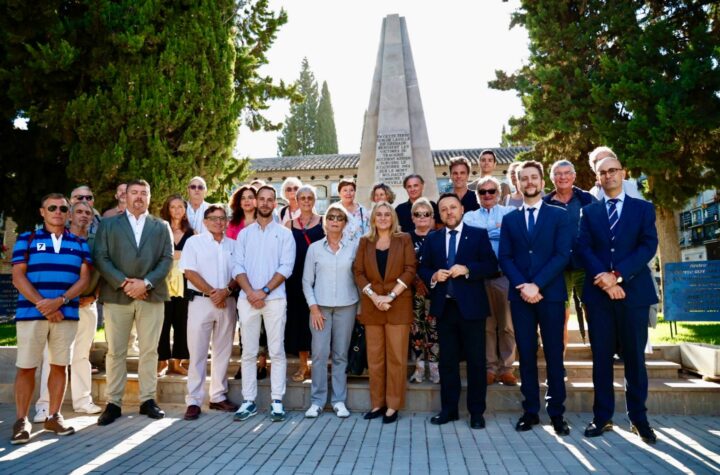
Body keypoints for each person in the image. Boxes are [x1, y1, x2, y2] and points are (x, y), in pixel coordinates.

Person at [578, 155, 659, 444]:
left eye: (613, 170)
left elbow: (648, 245)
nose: (609, 175)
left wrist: (618, 275)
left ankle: (639, 419)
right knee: (601, 359)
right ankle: (602, 417)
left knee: (635, 359)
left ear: (623, 173)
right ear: (597, 178)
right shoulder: (590, 212)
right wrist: (604, 277)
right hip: (599, 296)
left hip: (634, 294)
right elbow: (584, 248)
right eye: (603, 172)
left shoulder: (643, 209)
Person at [498, 161, 573, 435]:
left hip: (550, 294)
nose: (529, 182)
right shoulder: (510, 219)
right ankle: (530, 411)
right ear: (517, 184)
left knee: (554, 355)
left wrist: (537, 284)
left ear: (542, 182)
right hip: (520, 298)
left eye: (533, 178)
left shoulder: (559, 215)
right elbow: (504, 256)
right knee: (526, 355)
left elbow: (562, 254)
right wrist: (522, 285)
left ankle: (557, 413)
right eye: (523, 178)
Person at [10, 194, 91, 444]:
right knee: (26, 367)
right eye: (52, 207)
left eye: (63, 208)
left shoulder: (79, 243)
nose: (58, 211)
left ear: (68, 214)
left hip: (65, 314)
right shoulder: (27, 238)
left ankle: (54, 416)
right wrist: (43, 305)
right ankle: (22, 421)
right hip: (31, 314)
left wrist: (61, 301)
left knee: (59, 365)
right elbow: (17, 277)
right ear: (42, 212)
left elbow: (84, 279)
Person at [93, 179, 174, 426]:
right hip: (118, 295)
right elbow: (100, 256)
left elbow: (167, 259)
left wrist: (145, 283)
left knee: (150, 350)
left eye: (144, 193)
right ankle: (114, 402)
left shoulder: (161, 226)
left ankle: (148, 399)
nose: (139, 197)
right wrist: (124, 282)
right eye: (134, 193)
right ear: (125, 197)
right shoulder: (108, 225)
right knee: (116, 351)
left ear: (150, 197)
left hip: (152, 295)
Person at [419, 193, 498, 430]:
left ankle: (476, 412)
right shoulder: (433, 239)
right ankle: (449, 410)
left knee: (475, 362)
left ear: (462, 209)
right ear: (439, 214)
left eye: (453, 207)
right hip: (445, 308)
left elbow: (491, 266)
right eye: (443, 209)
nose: (449, 212)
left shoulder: (477, 234)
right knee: (448, 362)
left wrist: (467, 269)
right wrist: (433, 275)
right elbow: (423, 267)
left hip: (472, 309)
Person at [34, 201, 103, 423]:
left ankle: (83, 401)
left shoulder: (95, 243)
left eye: (88, 213)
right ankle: (44, 407)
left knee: (82, 355)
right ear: (70, 216)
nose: (83, 216)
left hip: (87, 306)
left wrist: (94, 297)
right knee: (51, 356)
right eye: (79, 212)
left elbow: (100, 273)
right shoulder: (57, 239)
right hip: (60, 308)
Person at [232, 185, 296, 423]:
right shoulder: (244, 234)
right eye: (262, 199)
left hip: (275, 299)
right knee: (248, 352)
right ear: (256, 202)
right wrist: (251, 292)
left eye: (271, 199)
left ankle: (277, 401)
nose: (266, 203)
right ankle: (248, 401)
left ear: (275, 204)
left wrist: (264, 291)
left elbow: (286, 267)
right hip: (247, 300)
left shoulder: (285, 234)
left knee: (277, 351)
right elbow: (237, 267)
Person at [353, 202, 416, 424]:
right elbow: (358, 272)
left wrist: (390, 297)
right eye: (378, 214)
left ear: (393, 217)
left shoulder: (404, 239)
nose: (382, 218)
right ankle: (377, 404)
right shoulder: (365, 242)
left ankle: (393, 406)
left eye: (386, 214)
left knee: (397, 359)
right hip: (373, 307)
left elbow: (410, 269)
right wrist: (374, 297)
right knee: (375, 359)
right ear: (372, 218)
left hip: (397, 306)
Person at [180, 205, 240, 420]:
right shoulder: (194, 243)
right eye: (213, 218)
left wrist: (226, 292)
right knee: (197, 352)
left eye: (222, 218)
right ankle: (194, 400)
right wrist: (213, 293)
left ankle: (218, 396)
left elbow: (239, 272)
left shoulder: (234, 245)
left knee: (223, 351)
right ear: (205, 221)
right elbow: (189, 271)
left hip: (228, 302)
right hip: (201, 302)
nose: (218, 222)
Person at [302, 204, 359, 418]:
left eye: (340, 217)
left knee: (340, 355)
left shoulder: (354, 247)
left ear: (345, 223)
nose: (335, 220)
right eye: (331, 217)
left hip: (347, 306)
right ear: (326, 222)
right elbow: (307, 281)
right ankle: (317, 401)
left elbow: (359, 278)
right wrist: (314, 308)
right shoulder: (314, 248)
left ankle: (338, 400)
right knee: (318, 354)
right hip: (320, 309)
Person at [463, 177, 517, 386]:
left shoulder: (509, 214)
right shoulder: (469, 217)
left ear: (499, 193)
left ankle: (507, 368)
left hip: (504, 276)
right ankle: (490, 367)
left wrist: (487, 234)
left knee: (507, 326)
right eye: (482, 192)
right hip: (479, 279)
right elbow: (472, 243)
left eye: (491, 191)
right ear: (477, 196)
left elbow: (512, 239)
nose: (487, 195)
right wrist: (494, 233)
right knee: (486, 326)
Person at [543, 160, 597, 353]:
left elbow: (600, 230)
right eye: (558, 173)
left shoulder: (587, 199)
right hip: (558, 268)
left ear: (574, 176)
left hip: (586, 265)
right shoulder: (545, 204)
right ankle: (559, 362)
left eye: (567, 173)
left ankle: (601, 354)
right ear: (552, 178)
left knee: (594, 309)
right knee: (560, 315)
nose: (563, 177)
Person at [284, 185, 325, 382]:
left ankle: (319, 365)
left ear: (314, 200)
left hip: (319, 279)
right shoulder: (289, 225)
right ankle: (303, 365)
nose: (307, 201)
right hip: (295, 280)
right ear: (297, 201)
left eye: (310, 197)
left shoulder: (324, 222)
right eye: (303, 198)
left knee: (319, 323)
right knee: (300, 323)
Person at [157, 194, 193, 376]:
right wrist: (179, 254)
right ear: (167, 209)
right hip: (163, 280)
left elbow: (194, 256)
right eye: (173, 207)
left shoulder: (192, 232)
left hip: (185, 282)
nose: (177, 210)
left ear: (185, 210)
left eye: (180, 206)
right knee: (162, 322)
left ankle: (178, 362)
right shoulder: (160, 230)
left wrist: (174, 255)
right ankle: (162, 361)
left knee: (182, 322)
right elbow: (157, 254)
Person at [407, 198, 440, 384]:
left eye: (426, 214)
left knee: (434, 330)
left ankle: (434, 368)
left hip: (435, 290)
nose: (422, 217)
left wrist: (430, 279)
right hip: (413, 292)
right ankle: (419, 368)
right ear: (412, 217)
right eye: (418, 214)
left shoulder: (440, 235)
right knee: (416, 331)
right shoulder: (406, 238)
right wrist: (416, 280)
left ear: (432, 217)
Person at [338, 178, 369, 242]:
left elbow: (368, 232)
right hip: (340, 249)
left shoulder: (362, 210)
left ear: (355, 192)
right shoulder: (335, 210)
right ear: (339, 193)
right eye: (345, 190)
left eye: (351, 190)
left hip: (360, 249)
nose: (348, 193)